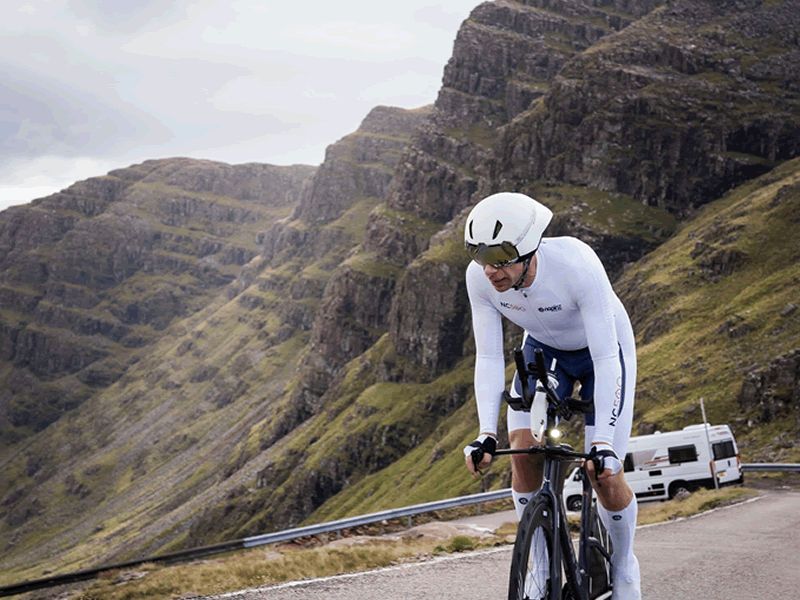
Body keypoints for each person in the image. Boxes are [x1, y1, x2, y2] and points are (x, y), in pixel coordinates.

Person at [461, 192, 641, 599]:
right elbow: (488, 356)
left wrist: (600, 443)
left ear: (528, 249)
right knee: (522, 452)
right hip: (544, 351)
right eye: (480, 256)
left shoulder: (577, 263)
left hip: (604, 351)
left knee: (603, 472)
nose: (490, 271)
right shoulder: (480, 279)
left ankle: (625, 563)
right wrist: (485, 432)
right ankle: (540, 566)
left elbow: (606, 357)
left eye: (501, 258)